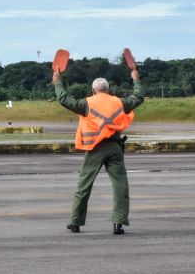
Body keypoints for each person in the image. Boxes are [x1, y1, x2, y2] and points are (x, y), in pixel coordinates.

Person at [52, 61, 144, 234]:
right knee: (120, 186)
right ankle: (119, 223)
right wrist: (135, 79)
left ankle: (76, 222)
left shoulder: (86, 103)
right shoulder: (119, 102)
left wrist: (57, 81)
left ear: (93, 90)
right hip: (115, 148)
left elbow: (64, 99)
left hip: (95, 149)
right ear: (108, 90)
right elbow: (138, 97)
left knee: (84, 186)